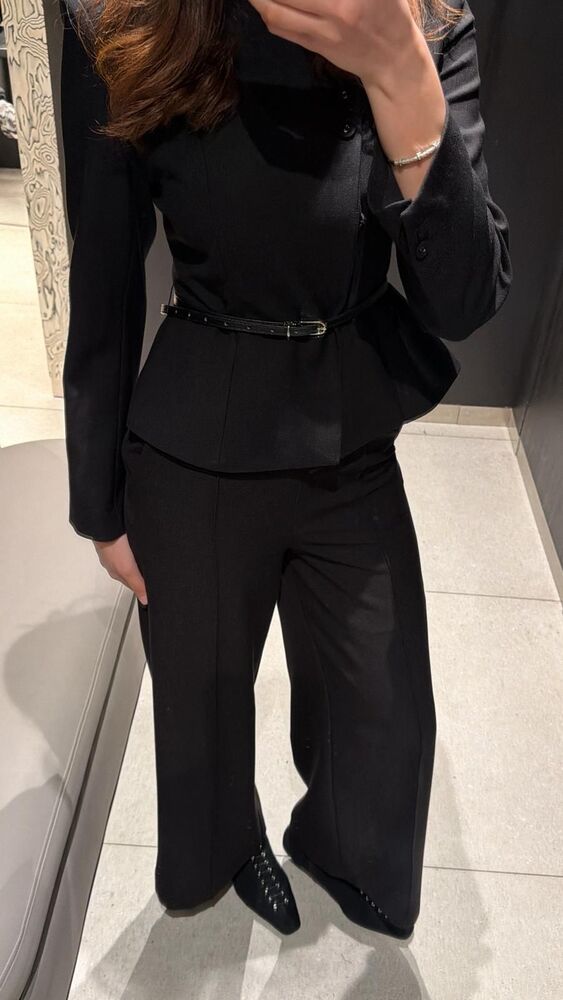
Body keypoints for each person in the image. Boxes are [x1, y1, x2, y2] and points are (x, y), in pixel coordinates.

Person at [59, 0, 512, 938]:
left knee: (386, 714)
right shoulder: (120, 18)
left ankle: (343, 851)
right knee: (201, 710)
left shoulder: (424, 22)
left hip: (349, 429)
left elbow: (464, 299)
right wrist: (98, 505)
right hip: (194, 439)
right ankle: (228, 849)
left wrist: (395, 70)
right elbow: (102, 276)